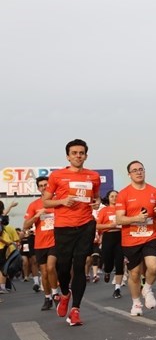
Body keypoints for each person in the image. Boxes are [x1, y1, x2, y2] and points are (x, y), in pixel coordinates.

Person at [42, 139, 101, 326]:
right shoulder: (57, 176)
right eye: (74, 153)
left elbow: (96, 197)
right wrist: (62, 201)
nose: (78, 156)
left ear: (86, 155)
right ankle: (65, 294)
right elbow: (46, 202)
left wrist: (97, 202)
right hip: (64, 227)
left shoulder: (93, 176)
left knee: (80, 266)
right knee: (63, 267)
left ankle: (75, 309)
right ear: (68, 156)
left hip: (86, 225)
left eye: (81, 153)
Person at [115, 161, 156, 316]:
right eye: (134, 170)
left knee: (154, 265)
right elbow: (119, 220)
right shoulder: (124, 194)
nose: (138, 172)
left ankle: (147, 288)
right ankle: (136, 303)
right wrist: (135, 218)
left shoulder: (155, 192)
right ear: (129, 174)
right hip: (131, 238)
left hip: (151, 235)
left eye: (141, 169)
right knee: (134, 273)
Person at [23, 176, 60, 310]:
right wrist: (37, 215)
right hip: (40, 243)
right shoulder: (34, 205)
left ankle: (56, 294)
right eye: (41, 185)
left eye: (46, 185)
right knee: (44, 273)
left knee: (51, 268)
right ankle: (48, 297)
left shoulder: (57, 202)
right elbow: (25, 225)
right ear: (38, 188)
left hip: (55, 241)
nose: (44, 187)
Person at [96, 190, 124, 298]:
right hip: (108, 237)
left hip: (120, 236)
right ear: (108, 198)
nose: (114, 198)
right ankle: (107, 271)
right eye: (112, 196)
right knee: (108, 262)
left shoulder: (122, 210)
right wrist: (110, 225)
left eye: (116, 196)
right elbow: (98, 226)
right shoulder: (104, 210)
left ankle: (117, 289)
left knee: (119, 262)